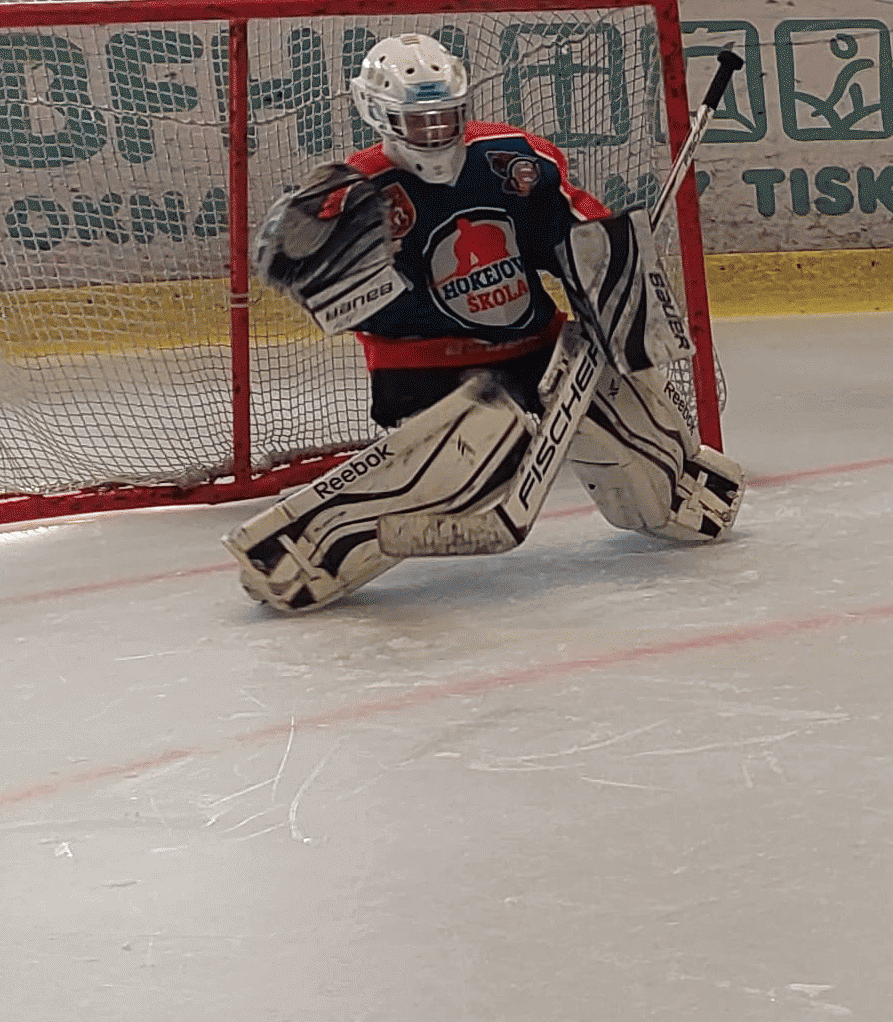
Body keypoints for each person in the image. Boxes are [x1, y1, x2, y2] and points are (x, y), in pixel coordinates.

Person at [227, 33, 742, 612]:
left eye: (446, 116)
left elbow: (567, 233)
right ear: (379, 115)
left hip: (537, 348)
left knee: (646, 442)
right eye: (419, 121)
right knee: (470, 455)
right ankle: (330, 535)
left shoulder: (513, 158)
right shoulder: (362, 193)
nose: (436, 132)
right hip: (424, 373)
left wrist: (606, 272)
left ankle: (670, 478)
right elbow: (355, 307)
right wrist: (310, 264)